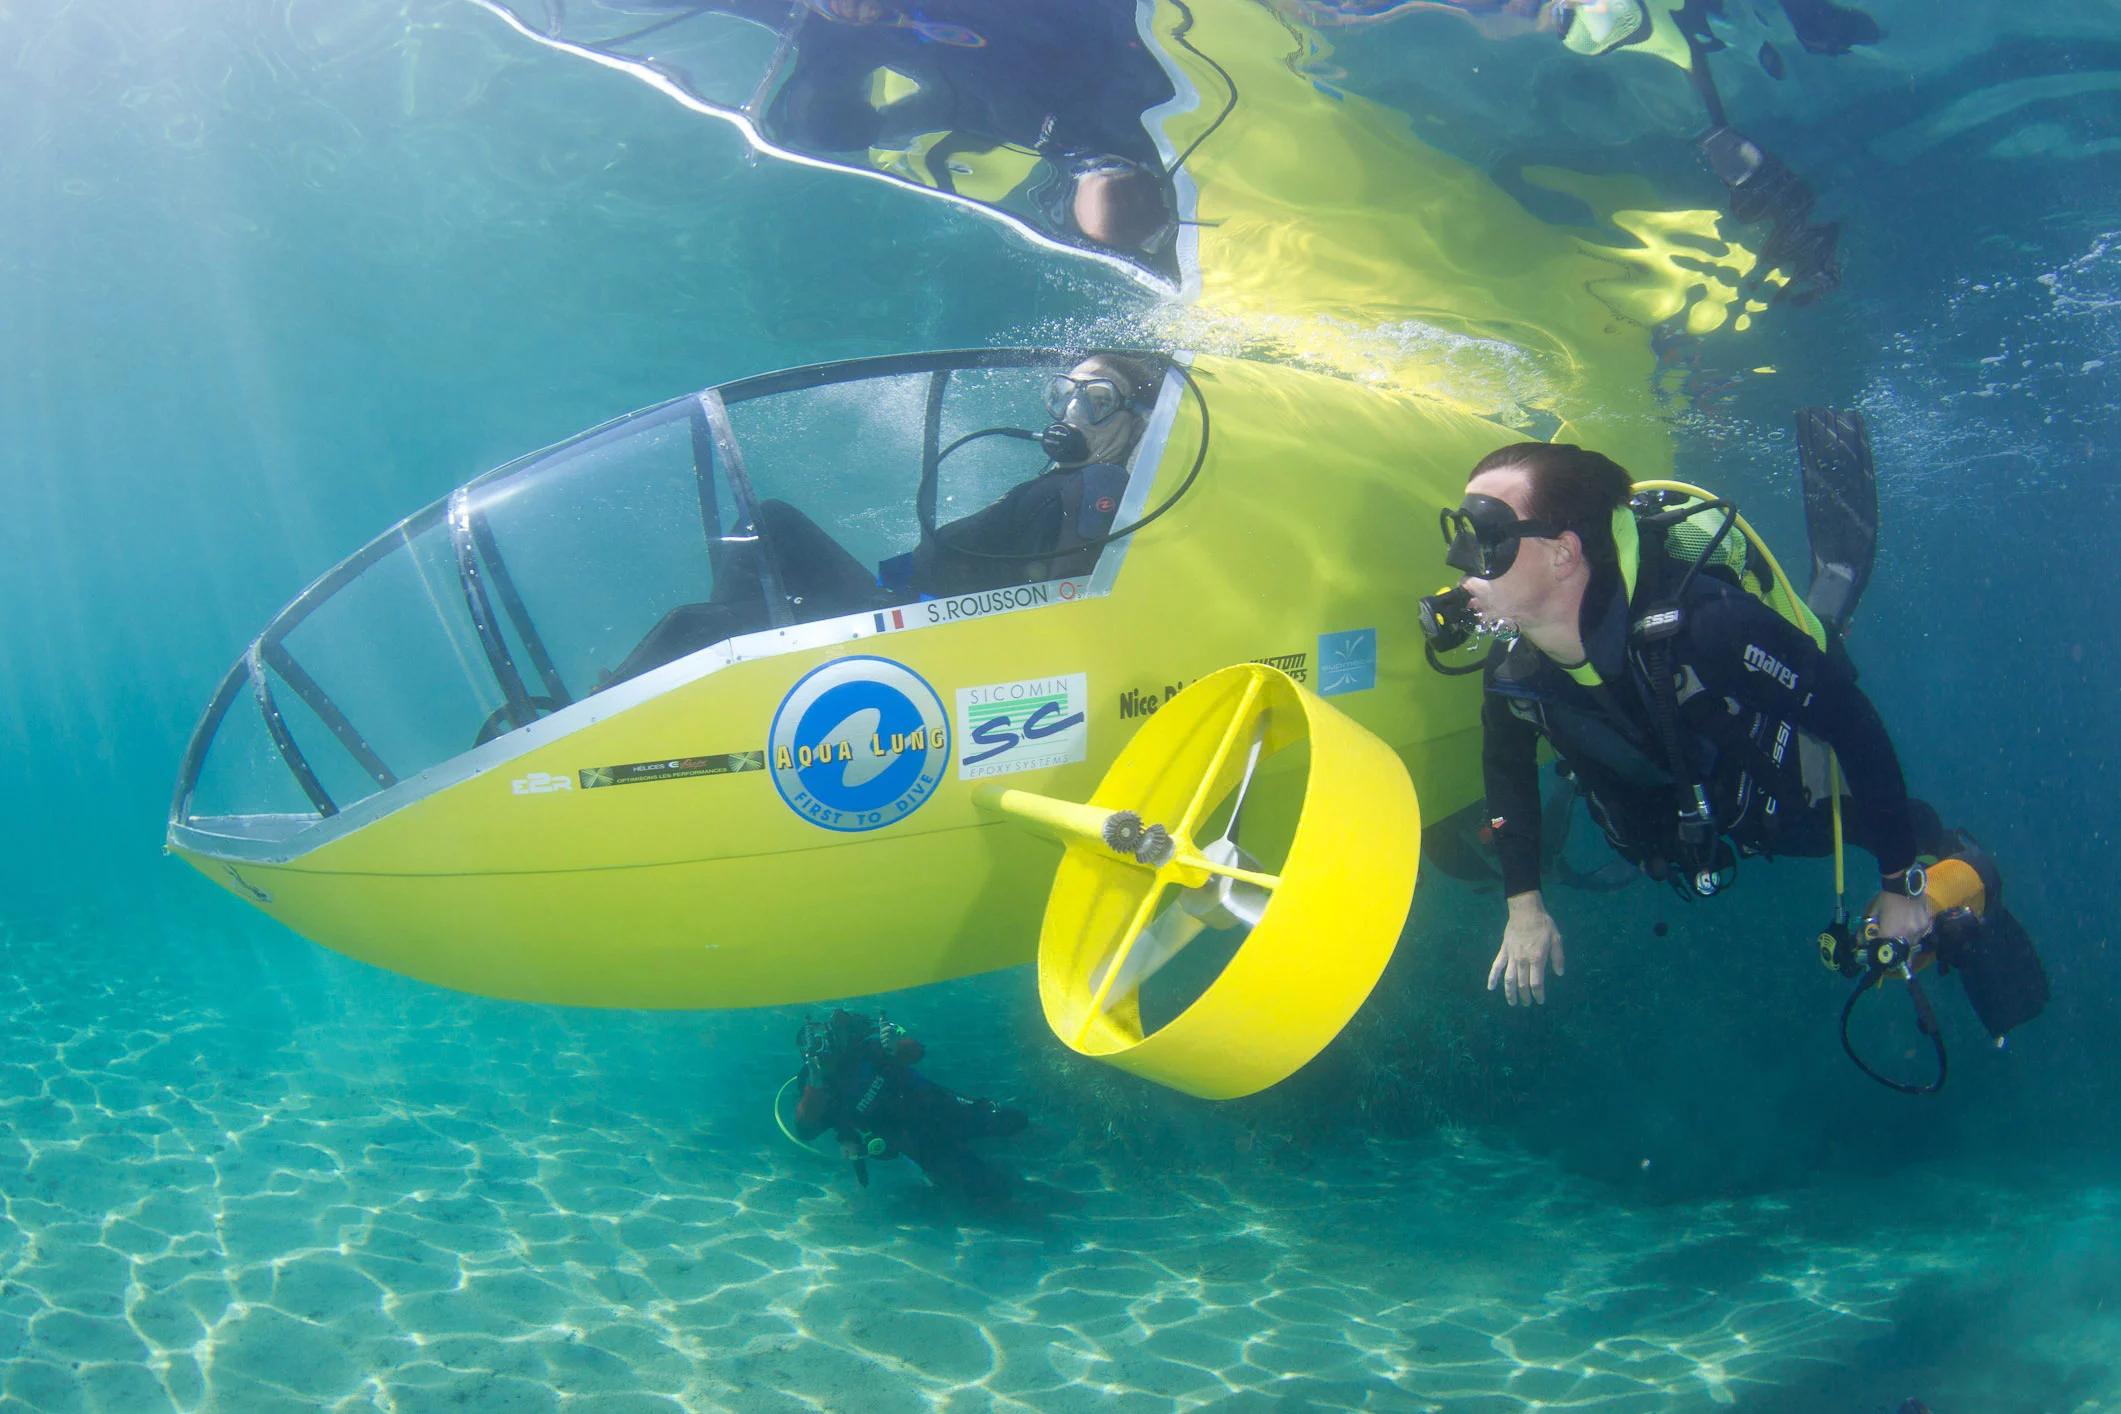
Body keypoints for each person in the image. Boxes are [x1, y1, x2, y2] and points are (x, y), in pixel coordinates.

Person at [1443, 442, 1941, 1006]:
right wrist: (1523, 903)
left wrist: (1900, 881)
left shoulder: (1708, 628)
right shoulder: (1511, 666)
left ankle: (1966, 876)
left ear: (1563, 554)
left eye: (1488, 537)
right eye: (1462, 532)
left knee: (1895, 833)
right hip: (1676, 811)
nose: (1461, 560)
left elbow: (1851, 722)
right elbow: (1505, 769)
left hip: (1774, 795)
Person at [905, 352, 1159, 597]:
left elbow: (1068, 596)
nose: (1073, 411)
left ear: (1137, 427)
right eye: (1066, 395)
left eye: (1100, 402)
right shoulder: (1071, 480)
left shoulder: (1102, 482)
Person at [792, 1009, 1028, 1200]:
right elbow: (805, 1130)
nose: (824, 1053)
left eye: (826, 1042)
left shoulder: (867, 1050)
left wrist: (896, 1046)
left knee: (1013, 1121)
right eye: (815, 1049)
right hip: (909, 1135)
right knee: (988, 1188)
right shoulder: (816, 1085)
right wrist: (815, 1084)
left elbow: (917, 1052)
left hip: (936, 1103)